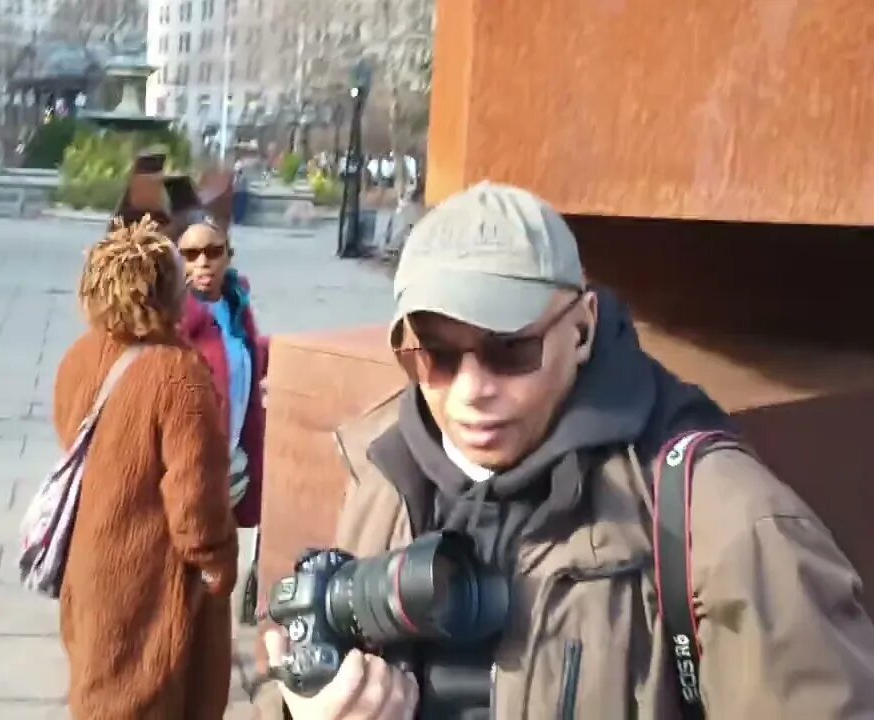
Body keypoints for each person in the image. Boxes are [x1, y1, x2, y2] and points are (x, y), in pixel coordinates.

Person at [261, 181, 874, 718]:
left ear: (580, 329)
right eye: (437, 356)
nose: (473, 392)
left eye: (510, 351)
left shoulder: (724, 525)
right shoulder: (381, 474)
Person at [55, 216, 238, 719]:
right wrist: (217, 566)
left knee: (99, 692)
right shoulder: (178, 375)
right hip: (153, 582)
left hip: (90, 564)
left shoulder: (80, 356)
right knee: (154, 698)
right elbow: (194, 498)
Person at [176, 212, 267, 528]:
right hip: (187, 476)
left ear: (228, 256)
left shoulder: (236, 308)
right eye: (191, 254)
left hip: (229, 472)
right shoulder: (174, 322)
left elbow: (245, 361)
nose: (203, 262)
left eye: (213, 252)